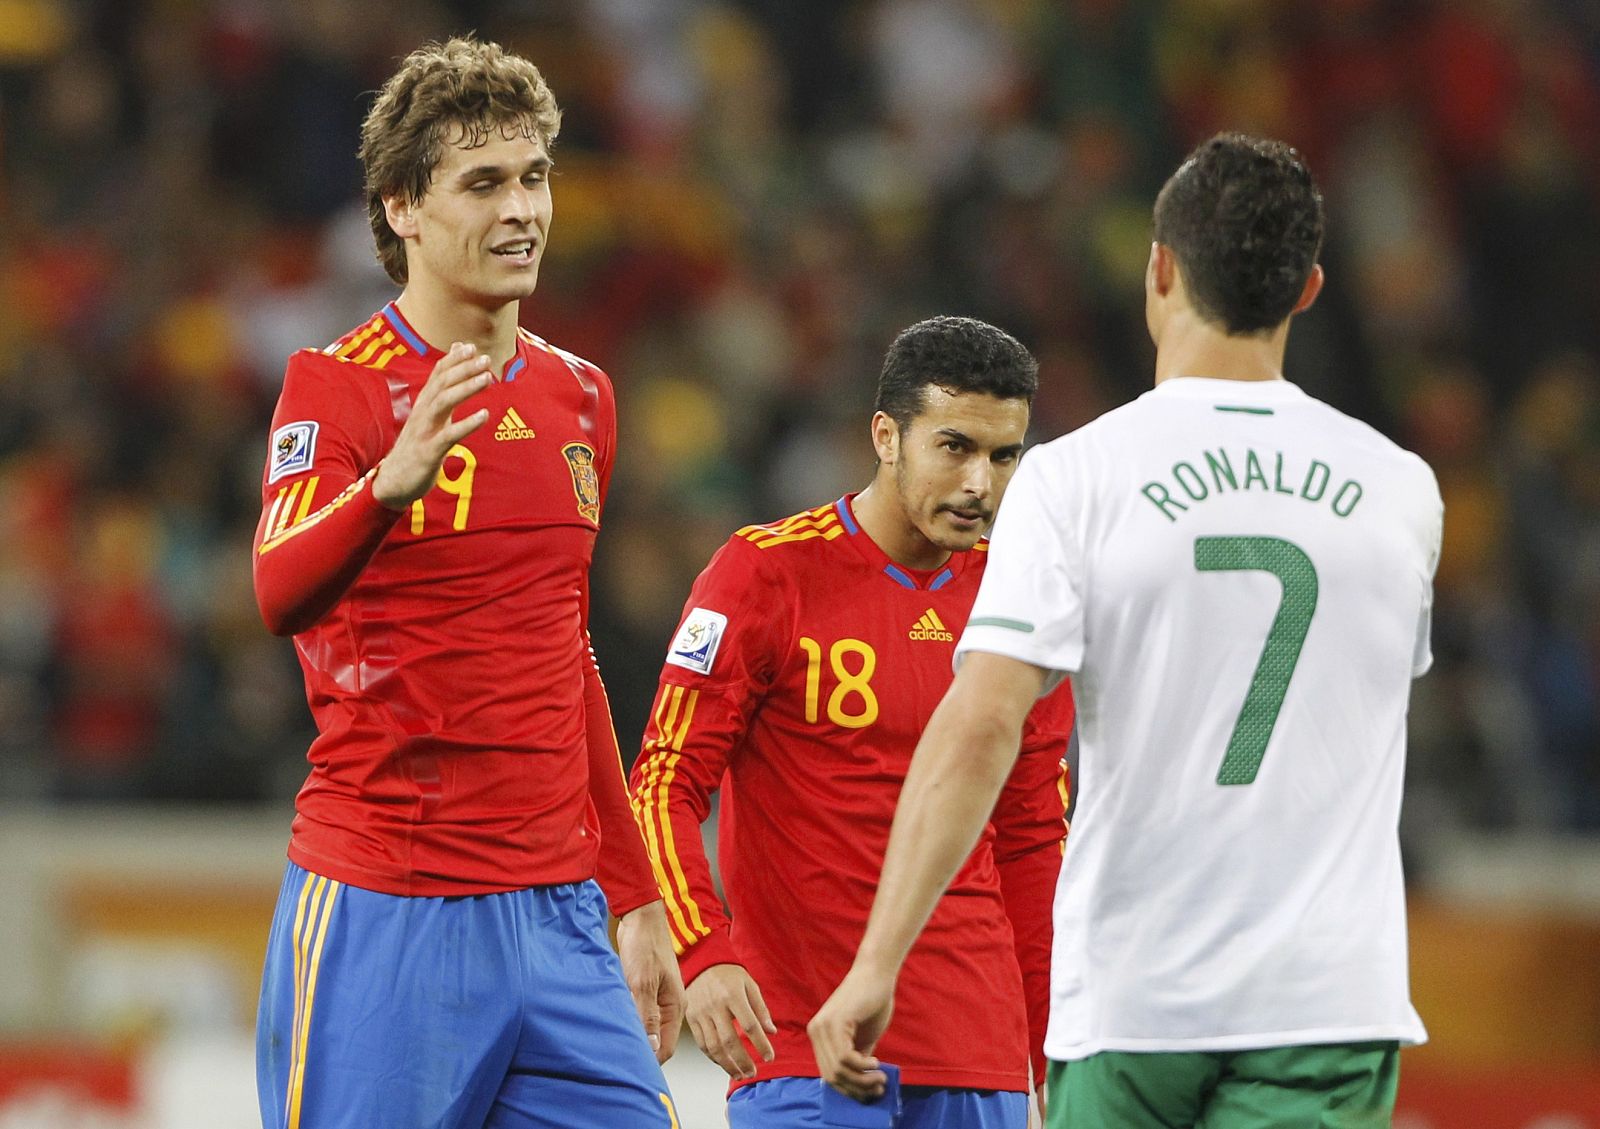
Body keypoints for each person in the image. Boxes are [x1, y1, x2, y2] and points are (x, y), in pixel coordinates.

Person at [810, 134, 1443, 1128]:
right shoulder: (1403, 490)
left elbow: (980, 727)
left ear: (1159, 268)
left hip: (1134, 997)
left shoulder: (1074, 479)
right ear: (1309, 288)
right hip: (1326, 1000)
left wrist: (875, 960)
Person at [250, 37, 683, 1129]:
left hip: (558, 918)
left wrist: (634, 896)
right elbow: (276, 591)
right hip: (389, 908)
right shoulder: (335, 388)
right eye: (483, 182)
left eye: (534, 176)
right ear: (401, 208)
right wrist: (388, 487)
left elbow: (564, 650)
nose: (522, 208)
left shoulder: (581, 395)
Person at [630, 316, 1076, 1129]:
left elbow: (1032, 838)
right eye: (955, 447)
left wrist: (1053, 1047)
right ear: (886, 436)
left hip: (980, 1057)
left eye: (1004, 455)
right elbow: (662, 782)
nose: (982, 481)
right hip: (802, 1049)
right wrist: (703, 952)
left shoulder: (1019, 605)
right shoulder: (766, 574)